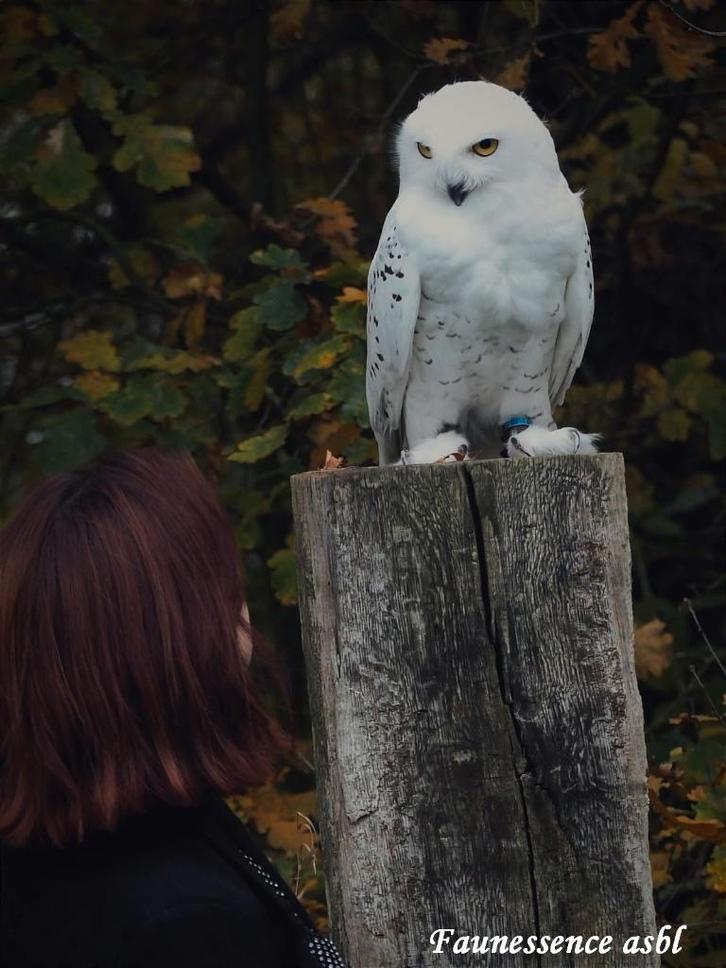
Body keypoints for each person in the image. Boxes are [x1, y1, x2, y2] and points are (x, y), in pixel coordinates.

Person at [0, 449, 344, 968]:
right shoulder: (183, 922)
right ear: (180, 637)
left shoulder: (91, 833)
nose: (244, 619)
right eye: (226, 592)